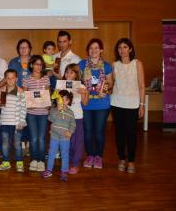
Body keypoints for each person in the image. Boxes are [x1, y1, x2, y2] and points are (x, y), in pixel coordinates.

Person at [111, 38, 145, 174]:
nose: (122, 50)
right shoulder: (114, 65)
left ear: (130, 49)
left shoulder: (137, 64)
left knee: (131, 134)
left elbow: (142, 86)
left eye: (125, 47)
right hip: (117, 103)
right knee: (119, 133)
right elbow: (110, 83)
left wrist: (142, 105)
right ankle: (121, 158)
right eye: (120, 48)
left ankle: (131, 161)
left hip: (132, 104)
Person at [79, 38, 113, 170]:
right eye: (91, 48)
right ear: (88, 50)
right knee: (87, 132)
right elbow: (78, 81)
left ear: (101, 50)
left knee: (99, 132)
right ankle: (90, 155)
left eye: (96, 48)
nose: (94, 50)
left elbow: (110, 84)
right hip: (86, 103)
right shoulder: (82, 64)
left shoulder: (106, 66)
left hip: (102, 104)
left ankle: (98, 156)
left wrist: (106, 90)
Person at [60, 64, 89, 175]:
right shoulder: (61, 85)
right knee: (66, 141)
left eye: (71, 72)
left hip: (77, 117)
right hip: (64, 118)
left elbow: (85, 103)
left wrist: (85, 93)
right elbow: (58, 103)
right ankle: (66, 162)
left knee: (77, 142)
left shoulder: (81, 86)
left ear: (76, 74)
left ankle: (75, 163)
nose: (68, 74)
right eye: (67, 72)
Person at [41, 90, 76, 182]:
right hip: (54, 135)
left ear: (68, 101)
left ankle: (64, 171)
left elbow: (73, 124)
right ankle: (49, 170)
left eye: (64, 100)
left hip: (65, 137)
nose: (62, 102)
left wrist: (70, 132)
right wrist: (58, 111)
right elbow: (50, 118)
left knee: (65, 154)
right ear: (57, 101)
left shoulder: (70, 112)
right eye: (59, 100)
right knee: (51, 153)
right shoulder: (53, 110)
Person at [23, 55, 50, 172]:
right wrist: (29, 103)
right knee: (33, 138)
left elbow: (48, 95)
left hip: (44, 112)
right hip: (31, 113)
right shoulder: (26, 79)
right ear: (31, 65)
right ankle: (34, 160)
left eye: (40, 64)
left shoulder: (46, 79)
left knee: (42, 138)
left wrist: (48, 104)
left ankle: (41, 160)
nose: (38, 66)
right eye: (36, 64)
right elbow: (25, 96)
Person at [0, 69, 26, 172]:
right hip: (4, 122)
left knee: (17, 143)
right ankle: (6, 161)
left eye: (12, 78)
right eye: (8, 78)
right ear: (5, 79)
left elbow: (23, 108)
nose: (10, 80)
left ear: (16, 79)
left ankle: (19, 162)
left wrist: (22, 121)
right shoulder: (2, 91)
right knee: (5, 143)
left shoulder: (20, 92)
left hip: (17, 123)